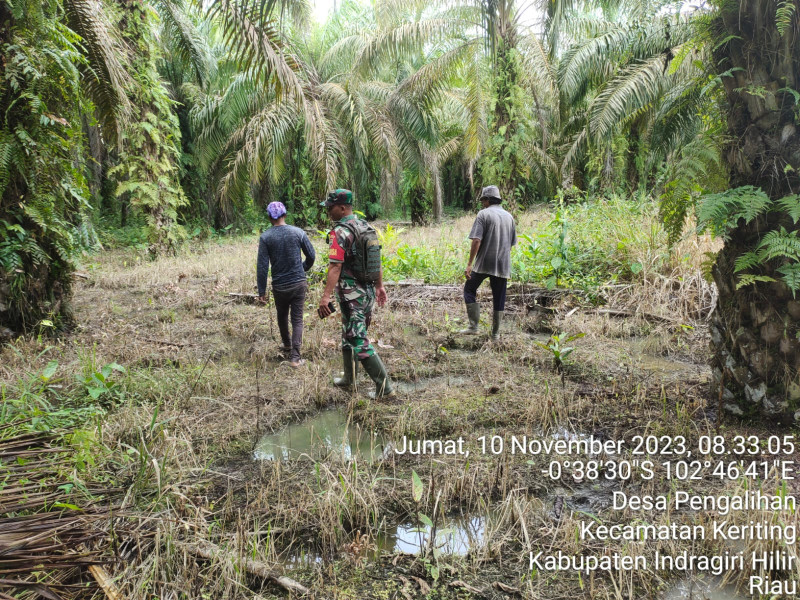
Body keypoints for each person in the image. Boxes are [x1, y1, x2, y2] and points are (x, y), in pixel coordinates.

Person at [317, 189, 394, 398]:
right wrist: (379, 286)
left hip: (352, 295)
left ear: (342, 208)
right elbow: (375, 259)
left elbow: (335, 267)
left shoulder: (340, 232)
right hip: (366, 292)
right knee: (348, 333)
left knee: (357, 337)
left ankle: (385, 388)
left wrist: (325, 297)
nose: (328, 212)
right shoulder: (366, 227)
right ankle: (349, 379)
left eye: (331, 208)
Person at [257, 201, 316, 367]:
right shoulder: (298, 232)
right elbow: (311, 256)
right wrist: (302, 269)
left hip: (279, 286)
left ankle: (287, 343)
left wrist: (261, 291)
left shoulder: (266, 237)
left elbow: (262, 266)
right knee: (297, 319)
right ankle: (295, 358)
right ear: (285, 215)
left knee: (282, 315)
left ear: (269, 218)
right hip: (298, 283)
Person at [460, 185, 517, 339]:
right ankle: (496, 333)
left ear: (487, 200)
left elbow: (476, 240)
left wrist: (470, 263)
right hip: (502, 264)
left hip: (484, 262)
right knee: (499, 297)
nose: (483, 203)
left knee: (469, 289)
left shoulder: (483, 214)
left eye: (483, 200)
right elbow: (511, 243)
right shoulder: (509, 217)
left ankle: (473, 326)